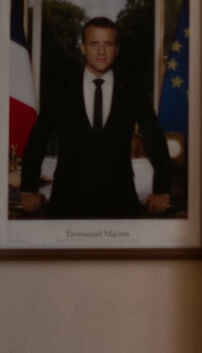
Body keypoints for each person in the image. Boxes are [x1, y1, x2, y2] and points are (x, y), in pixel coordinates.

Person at [17, 17, 173, 220]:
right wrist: (28, 189)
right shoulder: (61, 90)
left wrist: (162, 190)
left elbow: (156, 141)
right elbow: (37, 142)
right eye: (94, 44)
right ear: (82, 48)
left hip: (120, 203)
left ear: (116, 49)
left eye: (108, 44)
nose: (101, 51)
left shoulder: (132, 90)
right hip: (67, 203)